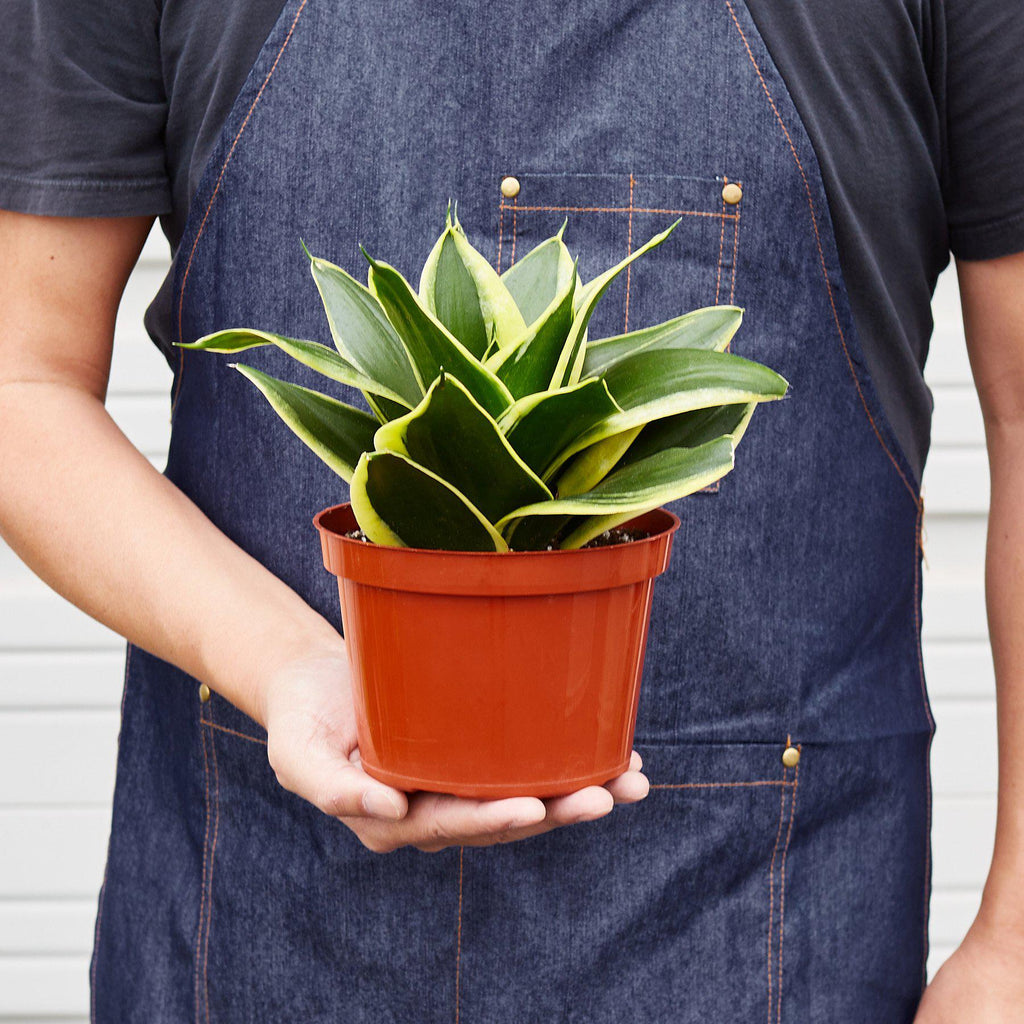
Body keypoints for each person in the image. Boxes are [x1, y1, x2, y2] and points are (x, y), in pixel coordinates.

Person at [1, 0, 1022, 1019]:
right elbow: (22, 383)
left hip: (763, 930)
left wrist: (1014, 952)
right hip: (260, 925)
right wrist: (285, 666)